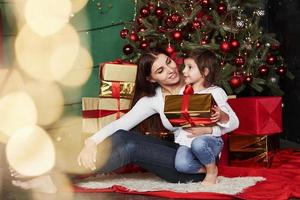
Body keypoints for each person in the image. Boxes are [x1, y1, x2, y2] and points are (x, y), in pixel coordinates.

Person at [11, 49, 238, 193]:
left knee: (130, 147)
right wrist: (91, 142)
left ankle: (53, 174)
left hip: (193, 164)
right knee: (122, 136)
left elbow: (230, 121)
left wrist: (215, 122)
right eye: (161, 70)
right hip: (180, 151)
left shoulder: (199, 86)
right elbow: (121, 124)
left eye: (169, 62)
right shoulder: (155, 99)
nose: (170, 69)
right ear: (151, 78)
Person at [174, 49, 239, 185]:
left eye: (190, 67)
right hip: (188, 140)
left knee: (199, 143)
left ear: (205, 72)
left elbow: (235, 123)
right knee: (181, 165)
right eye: (184, 67)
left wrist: (220, 117)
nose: (184, 71)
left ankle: (211, 171)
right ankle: (209, 166)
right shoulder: (184, 91)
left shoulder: (216, 93)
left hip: (210, 142)